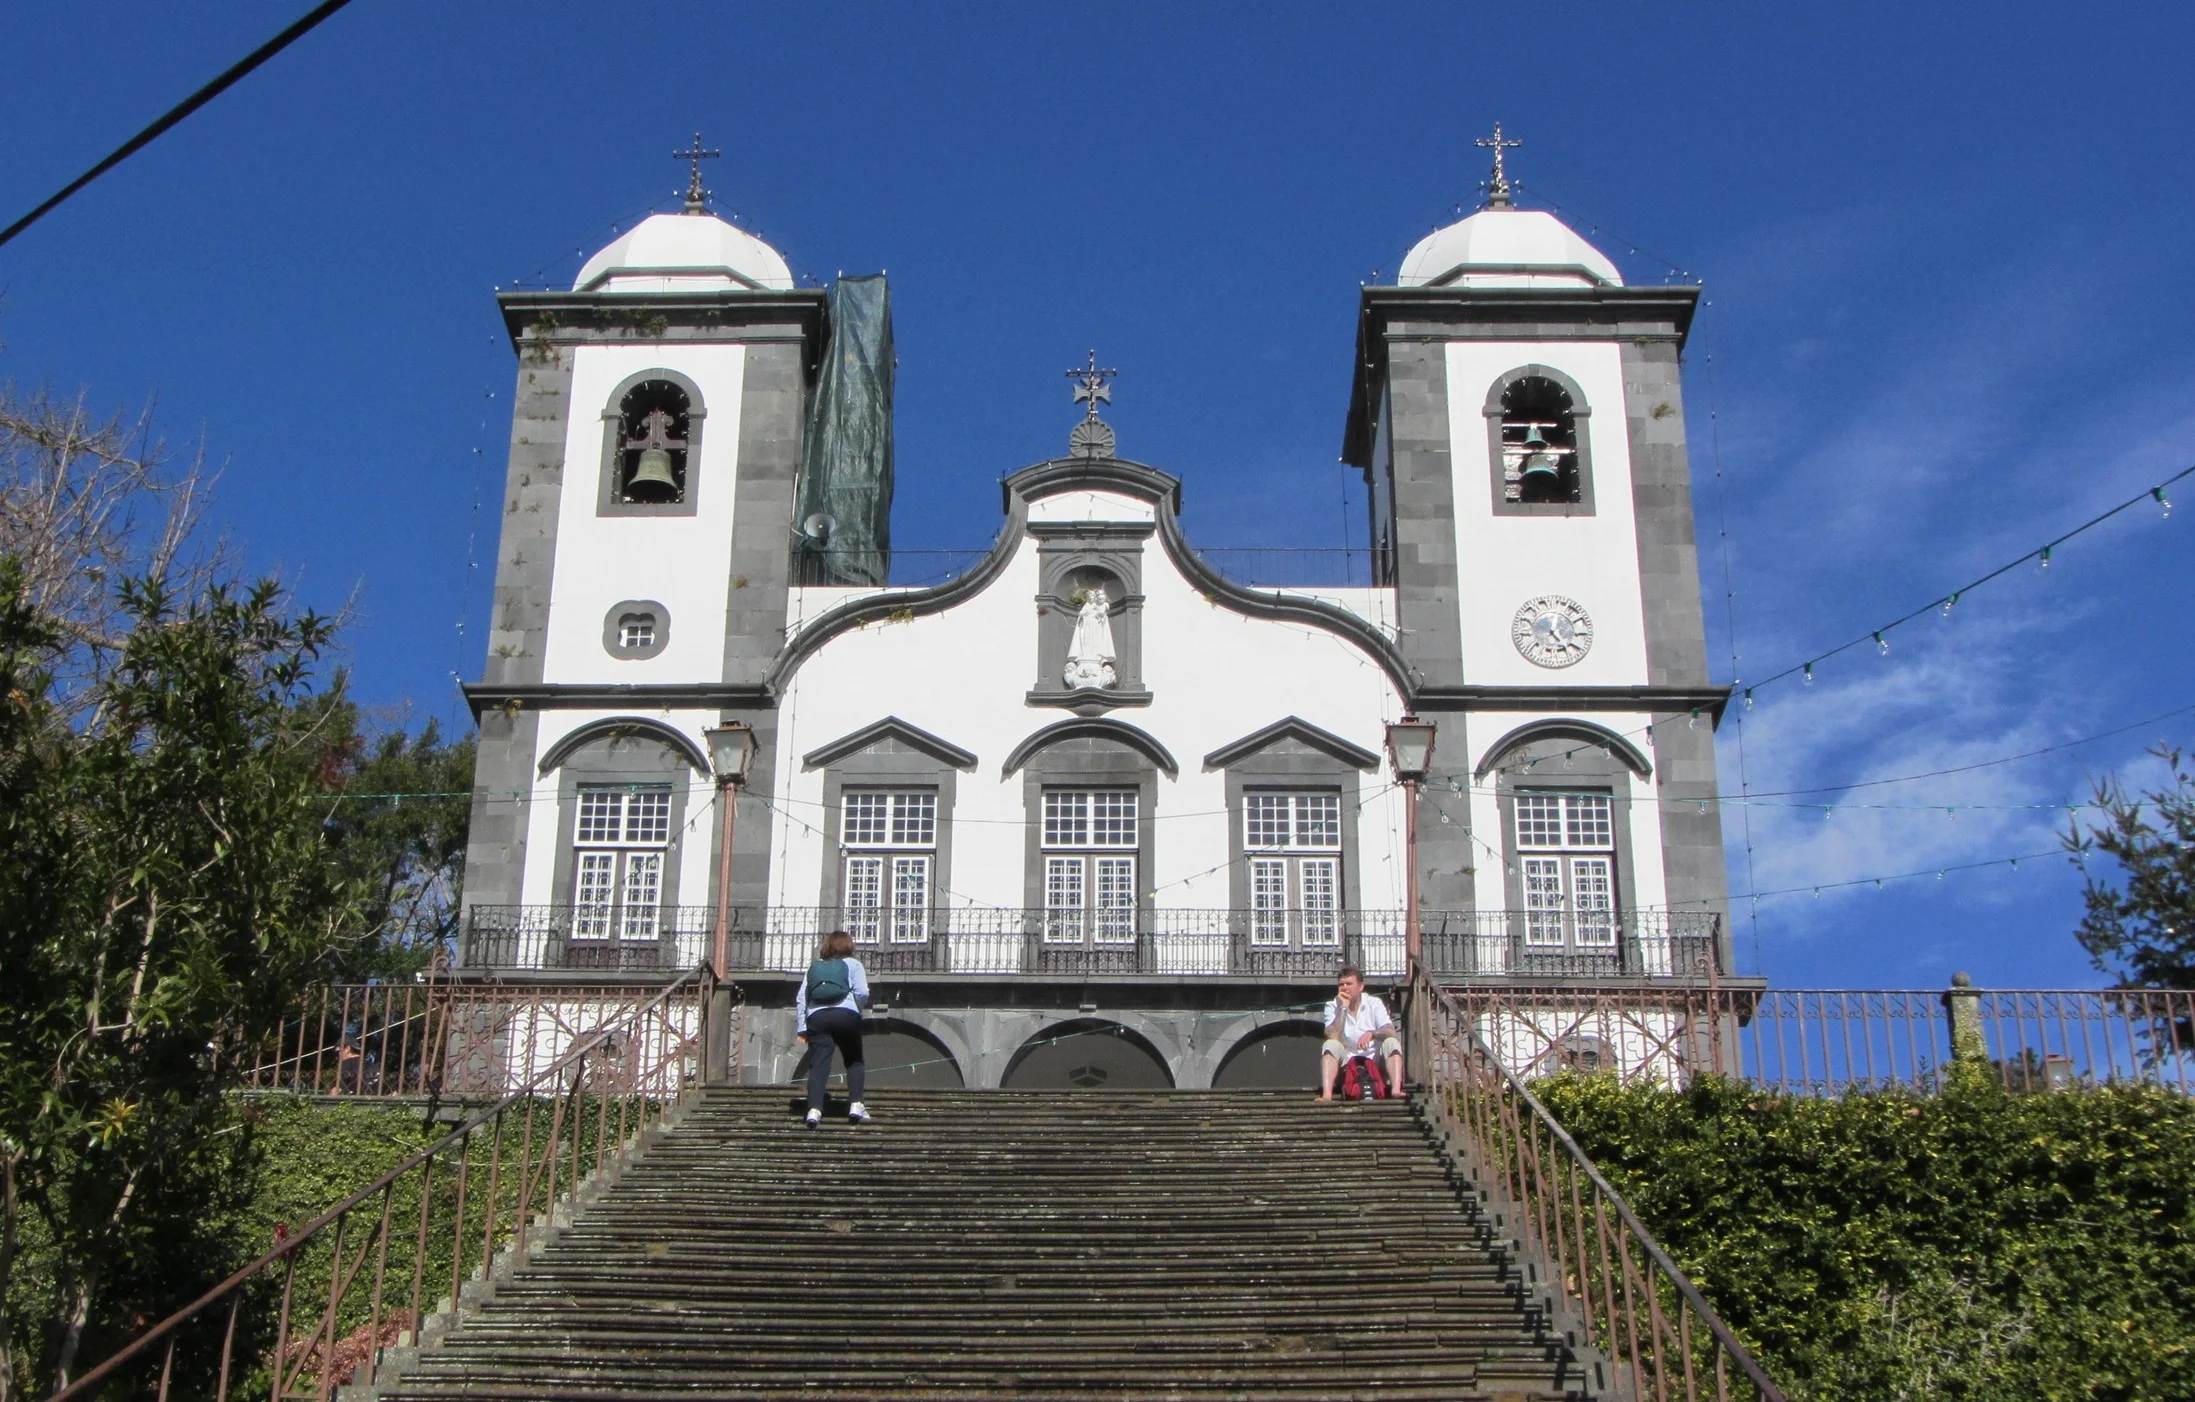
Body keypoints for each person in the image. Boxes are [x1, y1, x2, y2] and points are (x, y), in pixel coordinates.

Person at [796, 930, 872, 1127]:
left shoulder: (815, 966)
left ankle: (814, 1110)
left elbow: (801, 998)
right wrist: (856, 1008)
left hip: (818, 1017)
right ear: (849, 945)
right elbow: (862, 992)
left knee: (818, 1065)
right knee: (854, 1060)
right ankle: (856, 1104)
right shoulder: (854, 964)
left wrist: (802, 1027)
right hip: (846, 1015)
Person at [1318, 966, 1402, 1101]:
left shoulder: (1374, 1003)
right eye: (1341, 984)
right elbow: (1332, 1035)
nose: (1344, 988)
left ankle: (1396, 1090)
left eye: (1349, 984)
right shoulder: (1332, 1005)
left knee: (1391, 1042)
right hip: (1347, 1063)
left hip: (1373, 1059)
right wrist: (1343, 1008)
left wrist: (1372, 1034)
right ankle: (1327, 1094)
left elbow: (1390, 1031)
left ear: (1361, 987)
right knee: (1331, 1044)